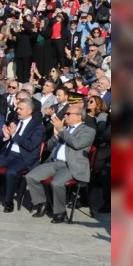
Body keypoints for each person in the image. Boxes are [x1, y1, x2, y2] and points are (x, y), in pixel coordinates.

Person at [25, 94, 95, 223]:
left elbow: (77, 144)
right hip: (55, 162)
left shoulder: (88, 130)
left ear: (79, 116)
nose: (65, 116)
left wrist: (62, 130)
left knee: (56, 183)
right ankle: (42, 204)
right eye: (66, 113)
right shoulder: (64, 128)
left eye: (68, 114)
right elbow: (49, 146)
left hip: (72, 165)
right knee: (31, 176)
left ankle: (60, 212)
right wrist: (56, 136)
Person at [0, 97, 44, 213]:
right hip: (8, 153)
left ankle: (8, 201)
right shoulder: (15, 121)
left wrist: (14, 134)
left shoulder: (37, 126)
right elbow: (7, 139)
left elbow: (31, 146)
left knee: (11, 172)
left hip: (23, 157)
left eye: (21, 109)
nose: (17, 111)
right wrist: (6, 137)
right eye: (17, 108)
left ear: (29, 111)